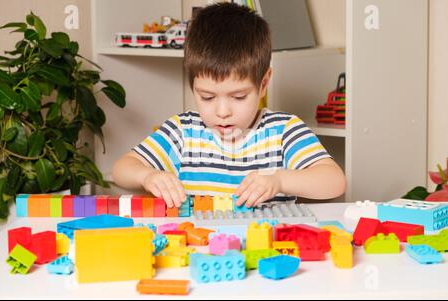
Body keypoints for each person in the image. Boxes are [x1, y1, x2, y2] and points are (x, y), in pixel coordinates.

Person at [112, 2, 346, 210]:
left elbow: (334, 181)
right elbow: (122, 169)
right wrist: (148, 176)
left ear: (263, 84)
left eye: (238, 97)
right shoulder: (183, 131)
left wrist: (279, 180)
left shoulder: (283, 131)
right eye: (207, 97)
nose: (222, 112)